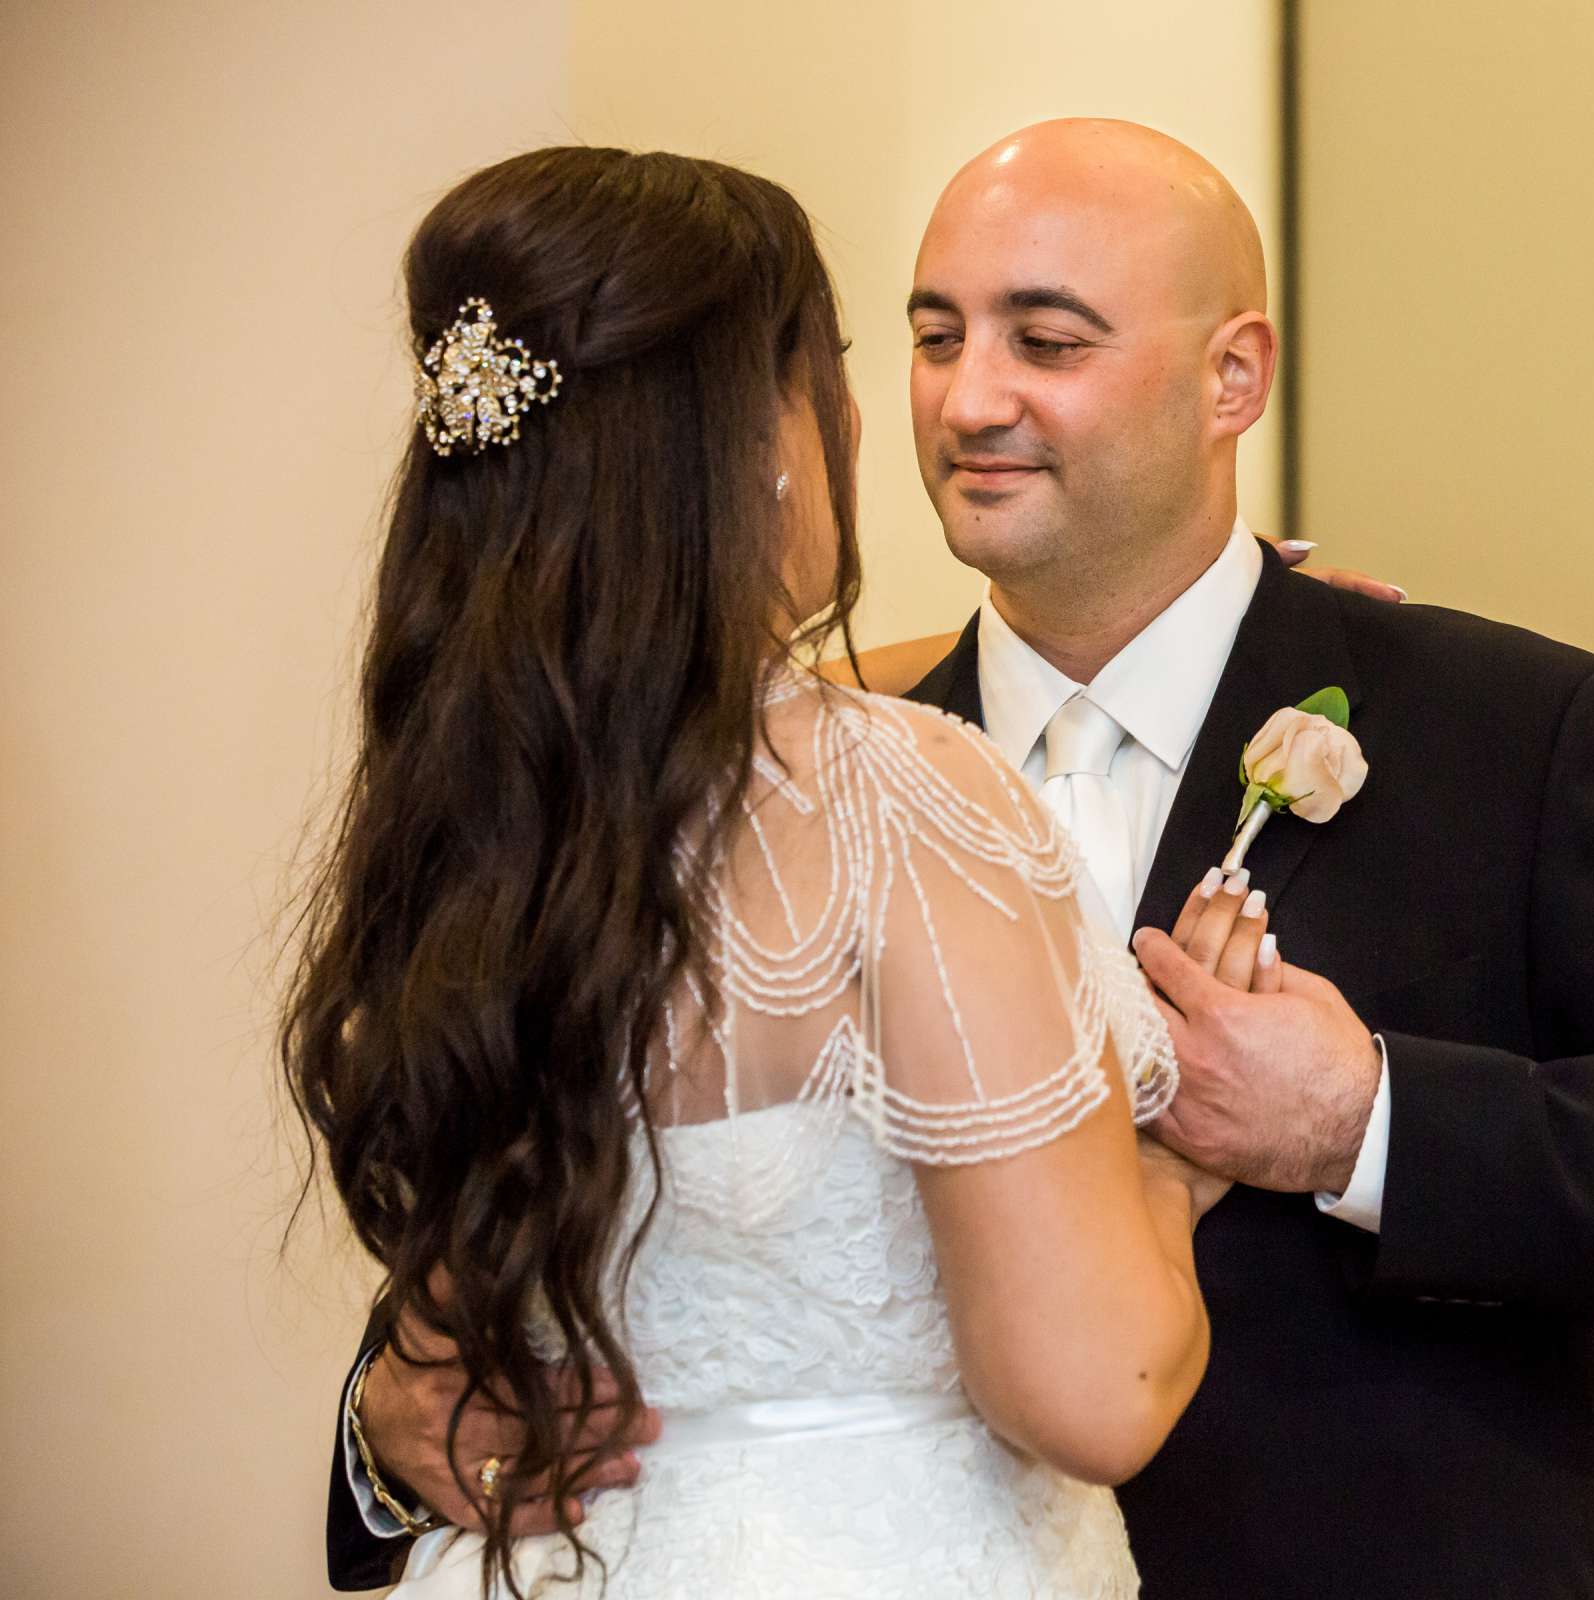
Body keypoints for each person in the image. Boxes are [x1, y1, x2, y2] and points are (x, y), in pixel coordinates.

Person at [334, 119, 1594, 1600]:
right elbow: (571, 1214)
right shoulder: (772, 773)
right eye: (935, 339)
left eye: (1047, 342)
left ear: (1233, 375)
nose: (969, 401)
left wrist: (1368, 1123)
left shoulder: (1508, 726)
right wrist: (380, 1442)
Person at [289, 143, 1262, 1598]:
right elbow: (1093, 1391)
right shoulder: (896, 796)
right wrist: (1171, 1185)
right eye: (891, 349)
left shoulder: (465, 812)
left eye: (1043, 339)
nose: (925, 404)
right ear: (764, 431)